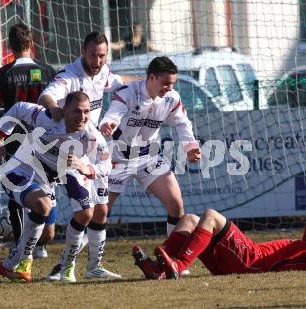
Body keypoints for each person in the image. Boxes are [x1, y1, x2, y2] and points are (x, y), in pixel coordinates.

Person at [0, 91, 111, 283]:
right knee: (42, 206)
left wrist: (86, 168)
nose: (82, 117)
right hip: (19, 170)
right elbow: (17, 109)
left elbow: (106, 164)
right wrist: (0, 137)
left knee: (50, 233)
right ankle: (24, 262)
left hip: (48, 180)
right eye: (76, 111)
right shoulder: (47, 116)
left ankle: (9, 264)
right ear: (64, 110)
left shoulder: (91, 136)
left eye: (86, 112)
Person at [39, 31, 124, 280]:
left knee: (101, 211)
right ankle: (65, 267)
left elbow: (123, 84)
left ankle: (93, 268)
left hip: (92, 148)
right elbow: (48, 94)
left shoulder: (104, 72)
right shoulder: (69, 77)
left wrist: (147, 84)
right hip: (68, 151)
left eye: (102, 56)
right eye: (93, 55)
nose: (98, 61)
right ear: (82, 52)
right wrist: (53, 107)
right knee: (84, 213)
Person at [0, 23, 56, 259]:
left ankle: (24, 246)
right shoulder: (48, 71)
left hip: (14, 143)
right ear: (32, 43)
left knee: (17, 193)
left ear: (10, 46)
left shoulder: (4, 74)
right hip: (45, 144)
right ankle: (36, 245)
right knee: (42, 192)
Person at [100, 56, 201, 240]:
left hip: (149, 156)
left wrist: (190, 145)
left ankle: (173, 258)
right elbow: (114, 112)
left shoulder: (172, 98)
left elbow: (182, 123)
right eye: (166, 83)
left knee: (176, 204)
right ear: (151, 78)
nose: (170, 88)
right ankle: (79, 261)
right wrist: (108, 123)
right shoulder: (128, 92)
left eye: (172, 84)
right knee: (100, 212)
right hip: (119, 157)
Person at [133, 208, 306, 280]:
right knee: (190, 219)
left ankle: (178, 266)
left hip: (252, 261)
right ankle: (157, 269)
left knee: (211, 216)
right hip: (238, 261)